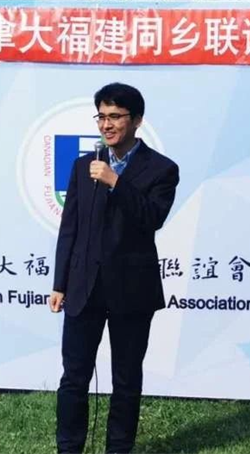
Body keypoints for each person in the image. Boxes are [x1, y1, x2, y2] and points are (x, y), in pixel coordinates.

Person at [49, 82, 179, 454]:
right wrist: (60, 283)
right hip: (83, 287)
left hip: (132, 289)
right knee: (74, 378)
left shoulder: (162, 169)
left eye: (116, 117)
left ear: (136, 120)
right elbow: (70, 228)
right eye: (102, 116)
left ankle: (119, 449)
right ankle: (69, 448)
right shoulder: (82, 166)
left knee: (126, 379)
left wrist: (116, 182)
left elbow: (152, 218)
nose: (106, 125)